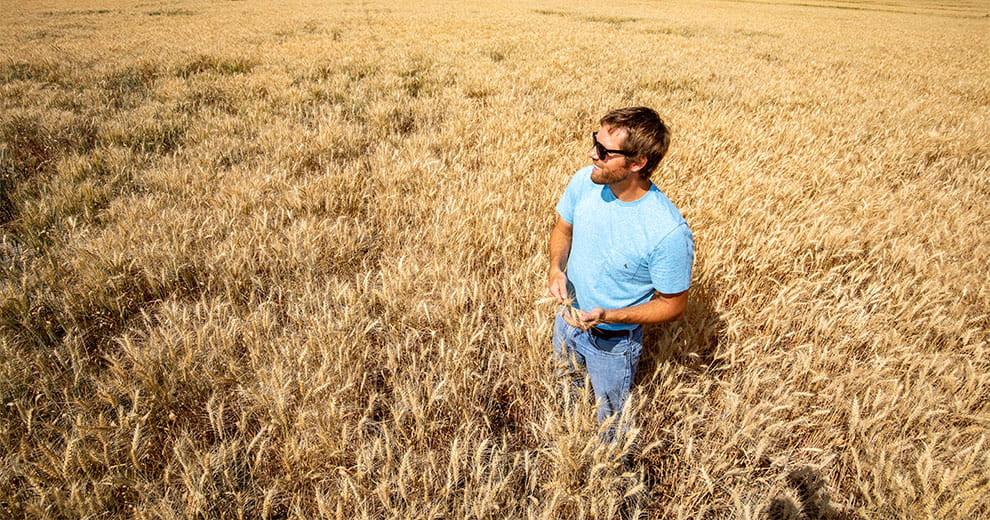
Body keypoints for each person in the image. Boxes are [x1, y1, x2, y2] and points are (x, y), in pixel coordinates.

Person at [547, 106, 694, 435]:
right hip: (567, 318)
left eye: (603, 150)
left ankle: (612, 477)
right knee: (565, 393)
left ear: (638, 162)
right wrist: (556, 269)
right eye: (593, 142)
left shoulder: (666, 232)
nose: (591, 154)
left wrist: (609, 316)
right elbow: (563, 229)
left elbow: (674, 305)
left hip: (612, 345)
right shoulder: (584, 182)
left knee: (612, 424)